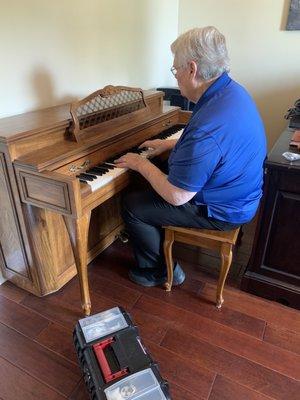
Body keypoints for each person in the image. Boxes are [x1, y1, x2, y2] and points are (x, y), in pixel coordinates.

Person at [114, 26, 267, 287]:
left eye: (176, 70)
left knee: (133, 204)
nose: (176, 77)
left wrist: (140, 163)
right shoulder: (231, 92)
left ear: (192, 69)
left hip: (223, 209)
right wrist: (169, 145)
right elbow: (216, 149)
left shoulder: (209, 125)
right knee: (155, 176)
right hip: (242, 194)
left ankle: (159, 270)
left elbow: (178, 195)